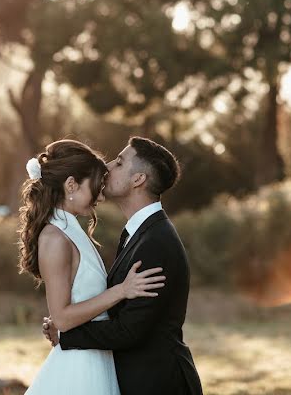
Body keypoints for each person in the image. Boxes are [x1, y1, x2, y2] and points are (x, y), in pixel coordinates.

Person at [42, 137, 204, 395]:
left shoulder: (156, 242)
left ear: (138, 179)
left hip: (159, 384)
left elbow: (129, 330)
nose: (106, 167)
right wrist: (68, 318)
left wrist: (66, 335)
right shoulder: (140, 233)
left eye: (118, 162)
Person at [19, 139, 166, 395]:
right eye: (96, 186)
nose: (101, 195)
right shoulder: (54, 237)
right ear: (71, 185)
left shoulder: (72, 230)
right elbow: (63, 318)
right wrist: (121, 291)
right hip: (80, 368)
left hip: (97, 358)